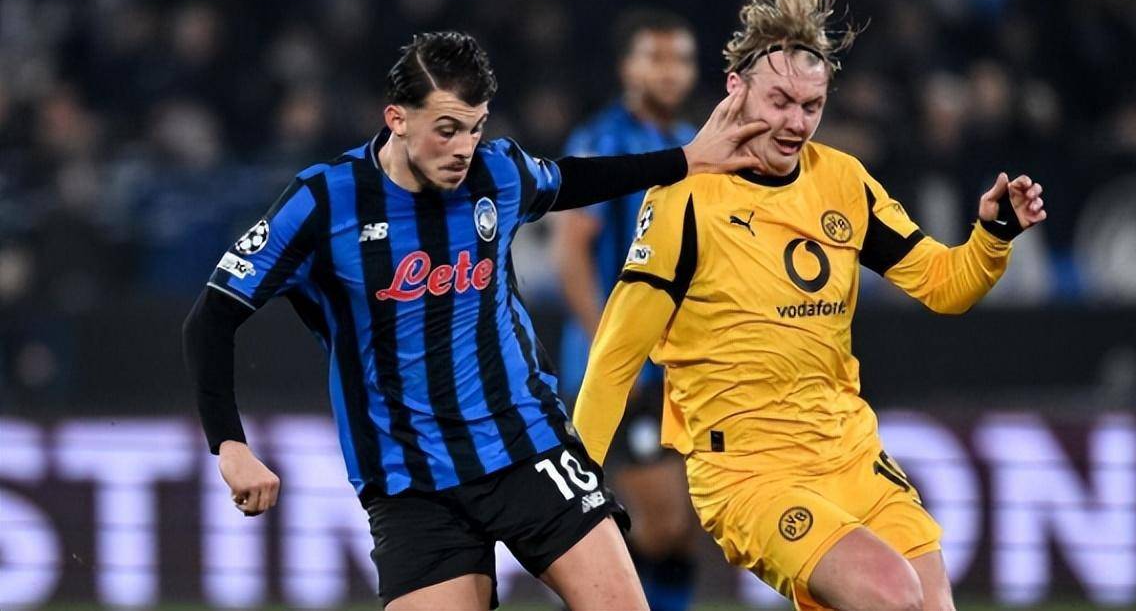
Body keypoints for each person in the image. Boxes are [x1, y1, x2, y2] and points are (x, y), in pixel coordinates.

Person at [181, 30, 767, 611]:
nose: (464, 147)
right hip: (410, 483)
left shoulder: (498, 173)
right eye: (447, 129)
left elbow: (575, 179)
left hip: (527, 447)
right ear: (397, 118)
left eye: (475, 127)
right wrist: (229, 444)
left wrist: (686, 160)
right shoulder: (324, 201)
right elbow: (212, 317)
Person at [572, 0, 1047, 611]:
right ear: (736, 88)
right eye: (780, 101)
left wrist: (993, 235)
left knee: (929, 605)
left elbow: (943, 286)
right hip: (750, 470)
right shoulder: (685, 201)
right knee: (891, 594)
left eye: (811, 105)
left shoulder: (843, 181)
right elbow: (615, 354)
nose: (796, 123)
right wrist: (575, 488)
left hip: (849, 452)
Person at [553, 9, 701, 611]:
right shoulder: (600, 142)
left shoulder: (694, 142)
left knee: (677, 532)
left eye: (680, 59)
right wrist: (611, 348)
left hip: (676, 366)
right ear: (626, 67)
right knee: (660, 523)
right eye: (654, 57)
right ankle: (592, 592)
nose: (669, 71)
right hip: (620, 368)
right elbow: (570, 255)